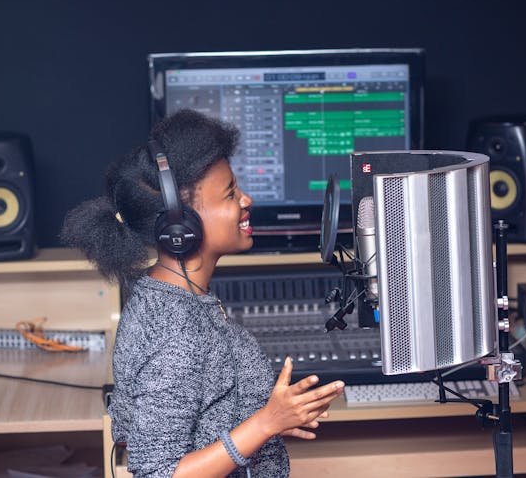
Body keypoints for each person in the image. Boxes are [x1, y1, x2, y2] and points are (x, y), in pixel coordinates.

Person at [61, 109, 345, 478]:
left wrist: (263, 420)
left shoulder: (173, 297)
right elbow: (159, 472)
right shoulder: (176, 330)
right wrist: (264, 424)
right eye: (230, 194)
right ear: (181, 225)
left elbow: (203, 414)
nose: (247, 201)